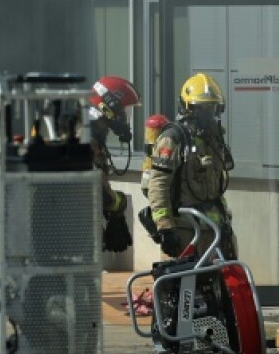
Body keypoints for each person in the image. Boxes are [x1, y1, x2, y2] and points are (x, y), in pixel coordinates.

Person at [146, 73, 238, 260]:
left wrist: (225, 222)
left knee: (224, 277)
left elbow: (216, 187)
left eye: (212, 107)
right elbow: (158, 186)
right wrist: (165, 228)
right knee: (182, 278)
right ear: (187, 108)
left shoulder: (215, 140)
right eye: (201, 108)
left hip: (215, 230)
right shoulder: (173, 139)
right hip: (185, 232)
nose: (208, 114)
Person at [87, 76, 141, 254]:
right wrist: (118, 204)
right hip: (74, 226)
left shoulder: (92, 132)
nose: (124, 117)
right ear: (108, 105)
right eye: (123, 110)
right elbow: (97, 188)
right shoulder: (87, 137)